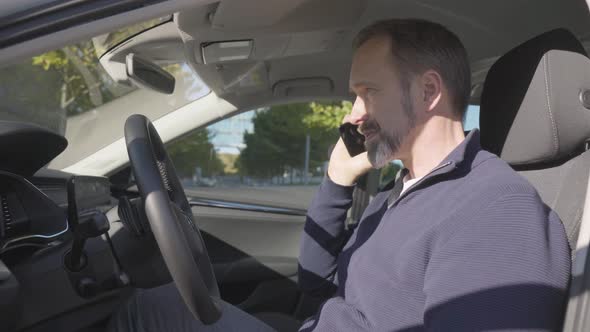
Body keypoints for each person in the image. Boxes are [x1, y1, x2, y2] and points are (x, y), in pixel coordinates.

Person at [110, 18, 571, 332]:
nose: (353, 115)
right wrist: (336, 180)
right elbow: (316, 284)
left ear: (429, 90)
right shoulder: (404, 187)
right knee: (162, 304)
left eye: (367, 92)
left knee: (153, 311)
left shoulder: (495, 212)